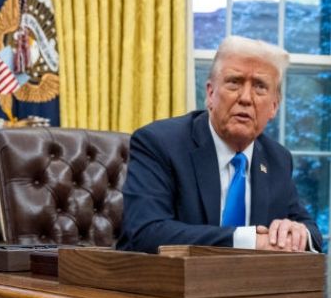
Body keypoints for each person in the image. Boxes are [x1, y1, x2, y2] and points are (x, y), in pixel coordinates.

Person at [120, 35, 322, 253]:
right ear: (210, 93)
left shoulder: (277, 159)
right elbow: (146, 232)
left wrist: (295, 233)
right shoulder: (159, 143)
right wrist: (249, 241)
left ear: (274, 106)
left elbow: (311, 233)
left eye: (260, 86)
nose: (246, 98)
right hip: (164, 283)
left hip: (247, 285)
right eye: (234, 82)